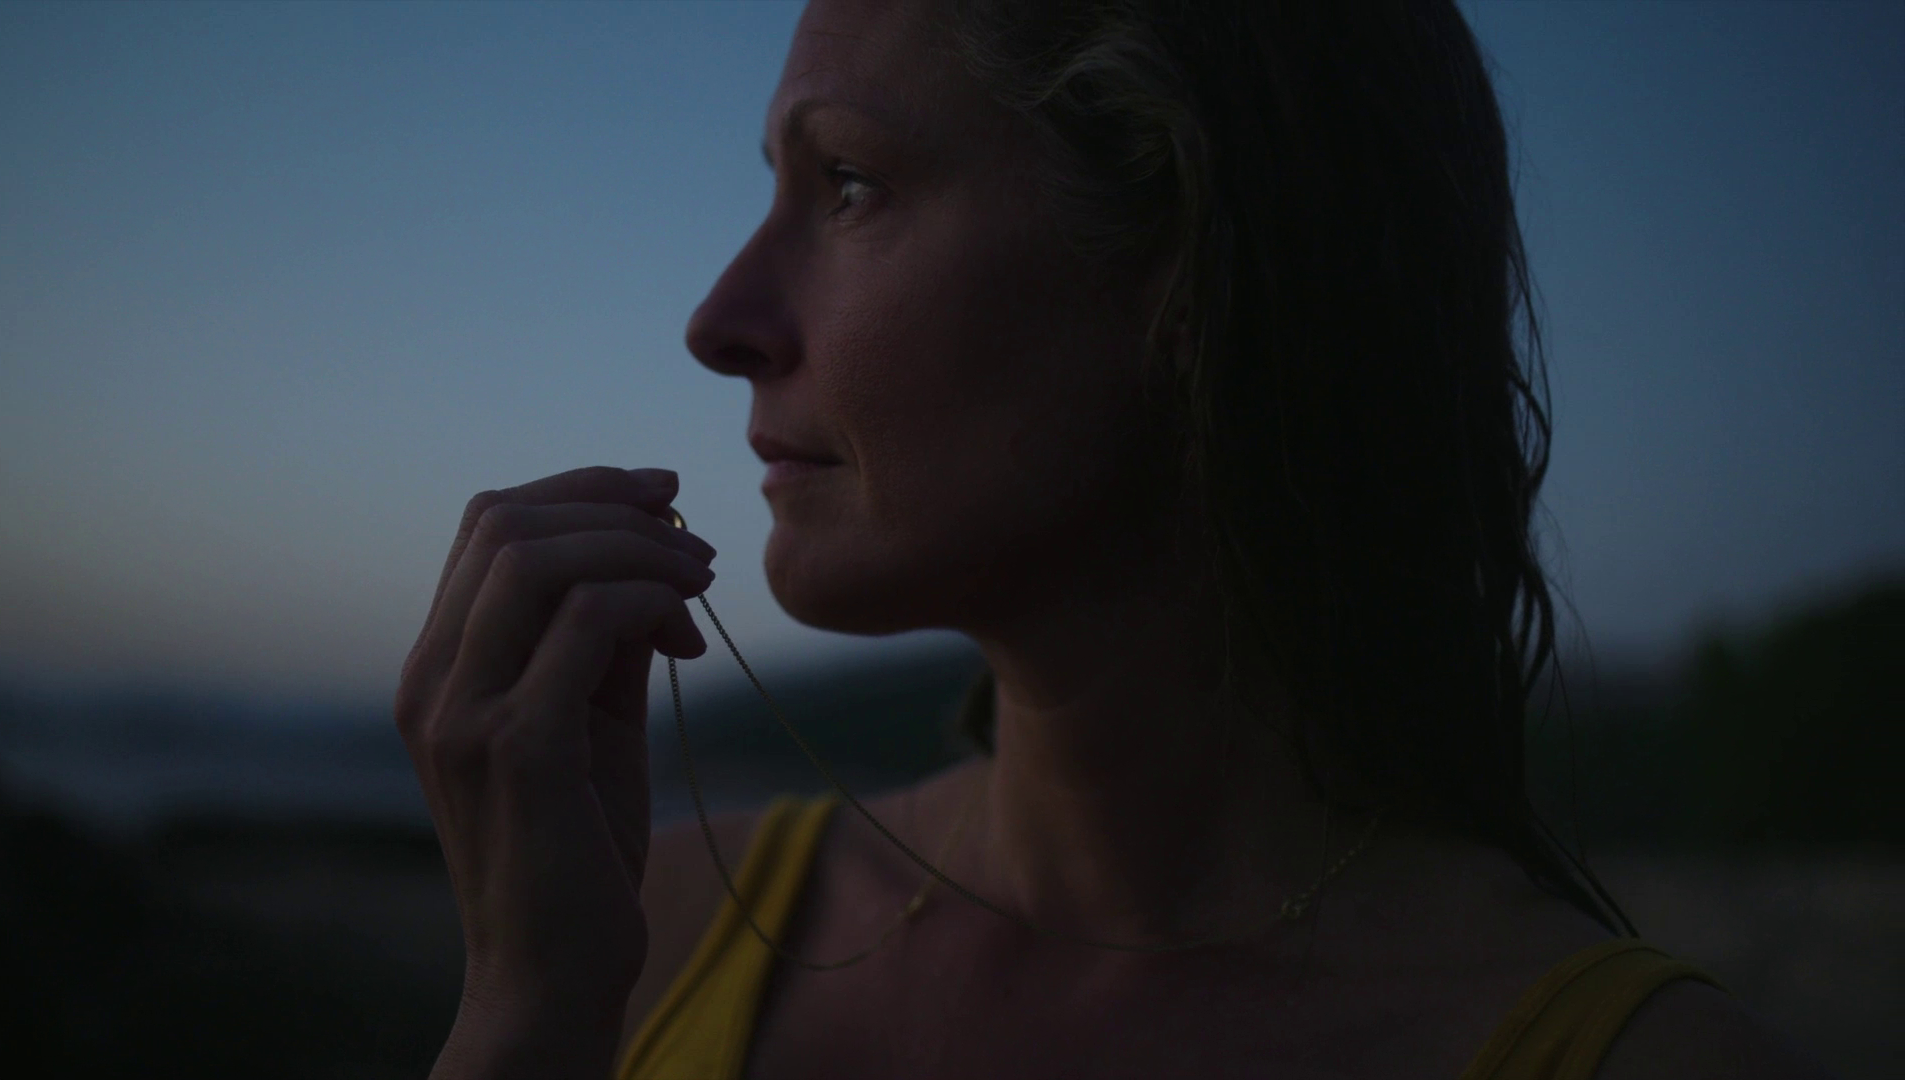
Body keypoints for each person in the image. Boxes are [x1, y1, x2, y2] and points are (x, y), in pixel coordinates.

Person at [394, 2, 1834, 1077]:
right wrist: (520, 1022)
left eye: (847, 184)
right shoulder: (646, 934)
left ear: (1189, 266)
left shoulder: (1632, 1058)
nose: (720, 323)